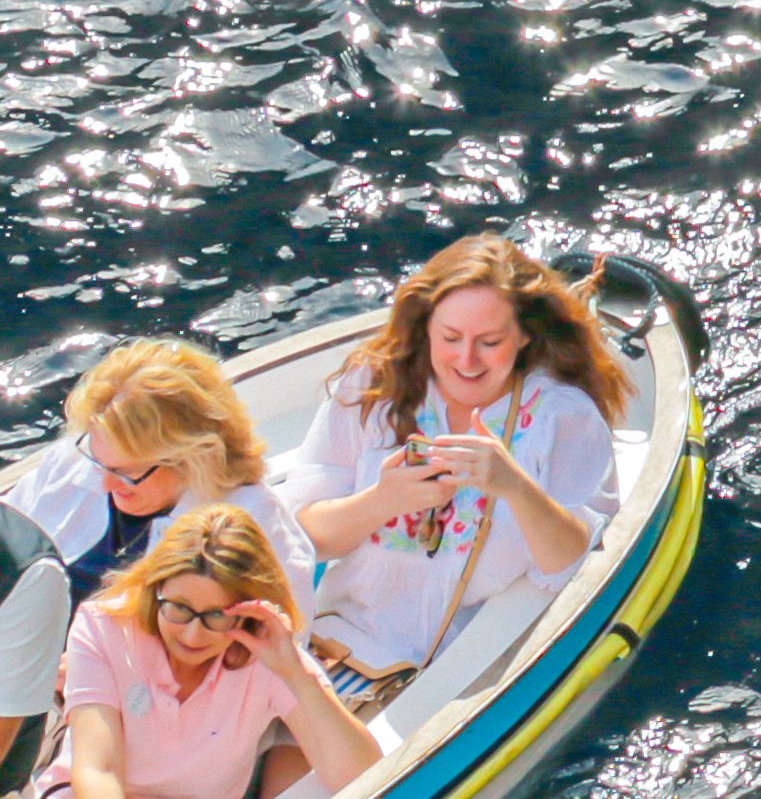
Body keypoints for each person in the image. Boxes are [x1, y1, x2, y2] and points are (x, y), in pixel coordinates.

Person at [277, 238, 629, 711]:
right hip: (338, 642)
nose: (467, 360)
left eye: (490, 342)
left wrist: (515, 487)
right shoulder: (372, 388)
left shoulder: (560, 416)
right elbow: (303, 536)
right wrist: (382, 500)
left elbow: (573, 566)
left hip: (456, 672)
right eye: (450, 339)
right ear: (425, 329)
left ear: (524, 335)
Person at [0, 344, 297, 792]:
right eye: (100, 460)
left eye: (128, 471)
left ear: (193, 454)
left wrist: (91, 668)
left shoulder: (253, 528)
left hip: (122, 723)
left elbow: (261, 668)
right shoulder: (74, 465)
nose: (104, 481)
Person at [40, 508, 373, 799]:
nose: (192, 634)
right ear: (155, 589)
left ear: (248, 613)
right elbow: (99, 771)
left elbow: (363, 775)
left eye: (216, 616)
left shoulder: (268, 656)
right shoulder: (102, 628)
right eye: (179, 609)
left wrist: (295, 674)